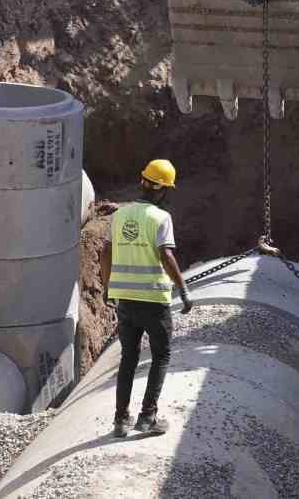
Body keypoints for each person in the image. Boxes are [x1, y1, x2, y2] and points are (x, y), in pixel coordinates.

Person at [102, 158, 193, 438]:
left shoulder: (119, 215)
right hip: (153, 301)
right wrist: (184, 290)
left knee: (128, 358)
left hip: (126, 301)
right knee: (161, 356)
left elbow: (105, 252)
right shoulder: (161, 218)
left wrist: (108, 286)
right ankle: (147, 417)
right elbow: (166, 256)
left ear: (143, 182)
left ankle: (120, 421)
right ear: (164, 189)